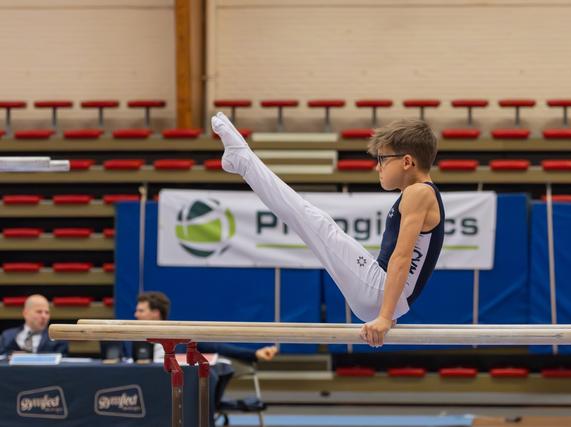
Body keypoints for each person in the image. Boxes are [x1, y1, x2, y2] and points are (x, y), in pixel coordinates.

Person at [211, 113, 445, 347]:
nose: (377, 167)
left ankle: (241, 159)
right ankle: (241, 159)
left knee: (313, 220)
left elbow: (402, 257)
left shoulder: (419, 193)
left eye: (383, 159)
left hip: (380, 291)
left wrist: (384, 316)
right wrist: (390, 311)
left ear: (407, 162)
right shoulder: (421, 193)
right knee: (316, 221)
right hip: (385, 294)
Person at [108, 291, 278, 363]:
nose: (135, 315)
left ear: (155, 313)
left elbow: (218, 347)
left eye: (141, 310)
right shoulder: (129, 339)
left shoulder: (181, 337)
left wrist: (254, 354)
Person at [0, 294, 68, 355]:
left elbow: (61, 364)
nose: (44, 316)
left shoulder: (58, 339)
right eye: (39, 312)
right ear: (25, 313)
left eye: (47, 312)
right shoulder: (7, 336)